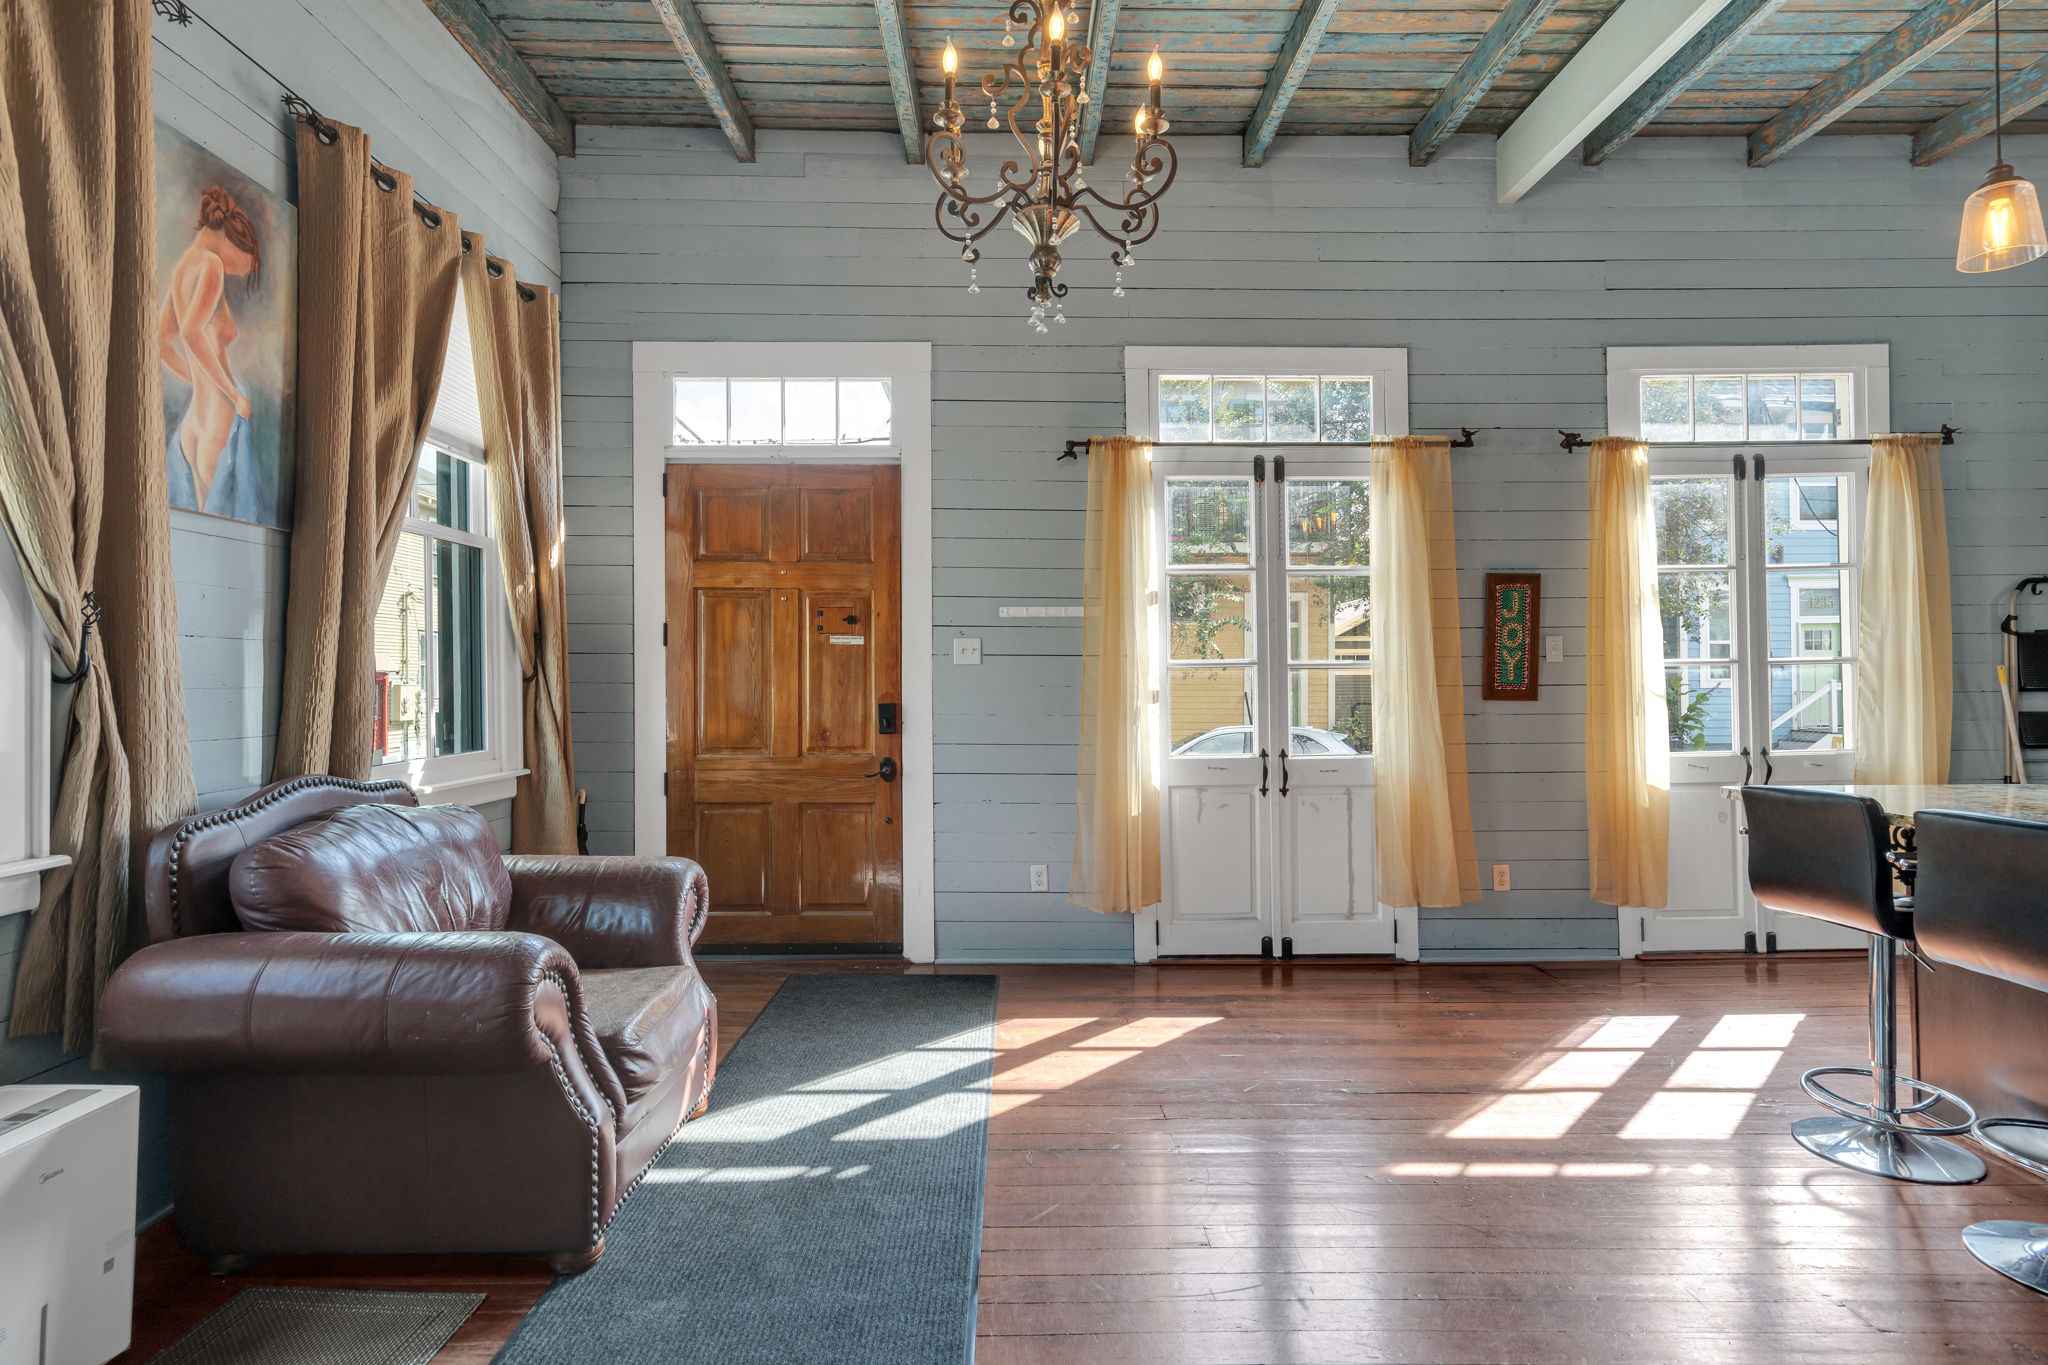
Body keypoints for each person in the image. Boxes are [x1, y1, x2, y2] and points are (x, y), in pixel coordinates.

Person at [160, 184, 264, 520]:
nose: (246, 270)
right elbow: (191, 333)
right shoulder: (211, 265)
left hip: (194, 421)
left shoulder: (183, 268)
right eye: (251, 262)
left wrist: (199, 382)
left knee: (204, 520)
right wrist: (232, 394)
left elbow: (162, 342)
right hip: (218, 416)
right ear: (237, 243)